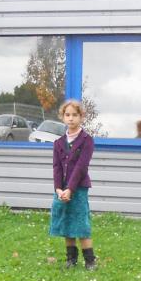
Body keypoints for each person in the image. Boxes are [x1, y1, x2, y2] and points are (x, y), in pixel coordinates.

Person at [50, 100, 96, 270]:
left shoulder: (87, 140)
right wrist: (59, 189)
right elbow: (56, 167)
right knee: (67, 224)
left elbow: (81, 167)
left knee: (81, 223)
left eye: (74, 115)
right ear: (63, 117)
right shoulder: (58, 143)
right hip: (62, 190)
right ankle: (71, 259)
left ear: (81, 117)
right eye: (67, 115)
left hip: (78, 188)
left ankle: (90, 261)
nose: (71, 118)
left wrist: (70, 189)